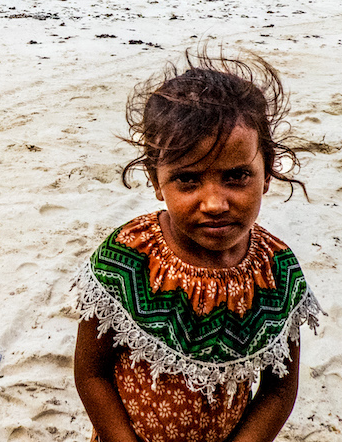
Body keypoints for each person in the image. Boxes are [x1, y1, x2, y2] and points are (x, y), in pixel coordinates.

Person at [73, 50, 322, 442]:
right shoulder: (128, 259)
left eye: (237, 176)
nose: (214, 203)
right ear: (157, 181)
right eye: (188, 180)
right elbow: (91, 374)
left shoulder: (277, 271)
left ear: (268, 172)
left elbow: (278, 389)